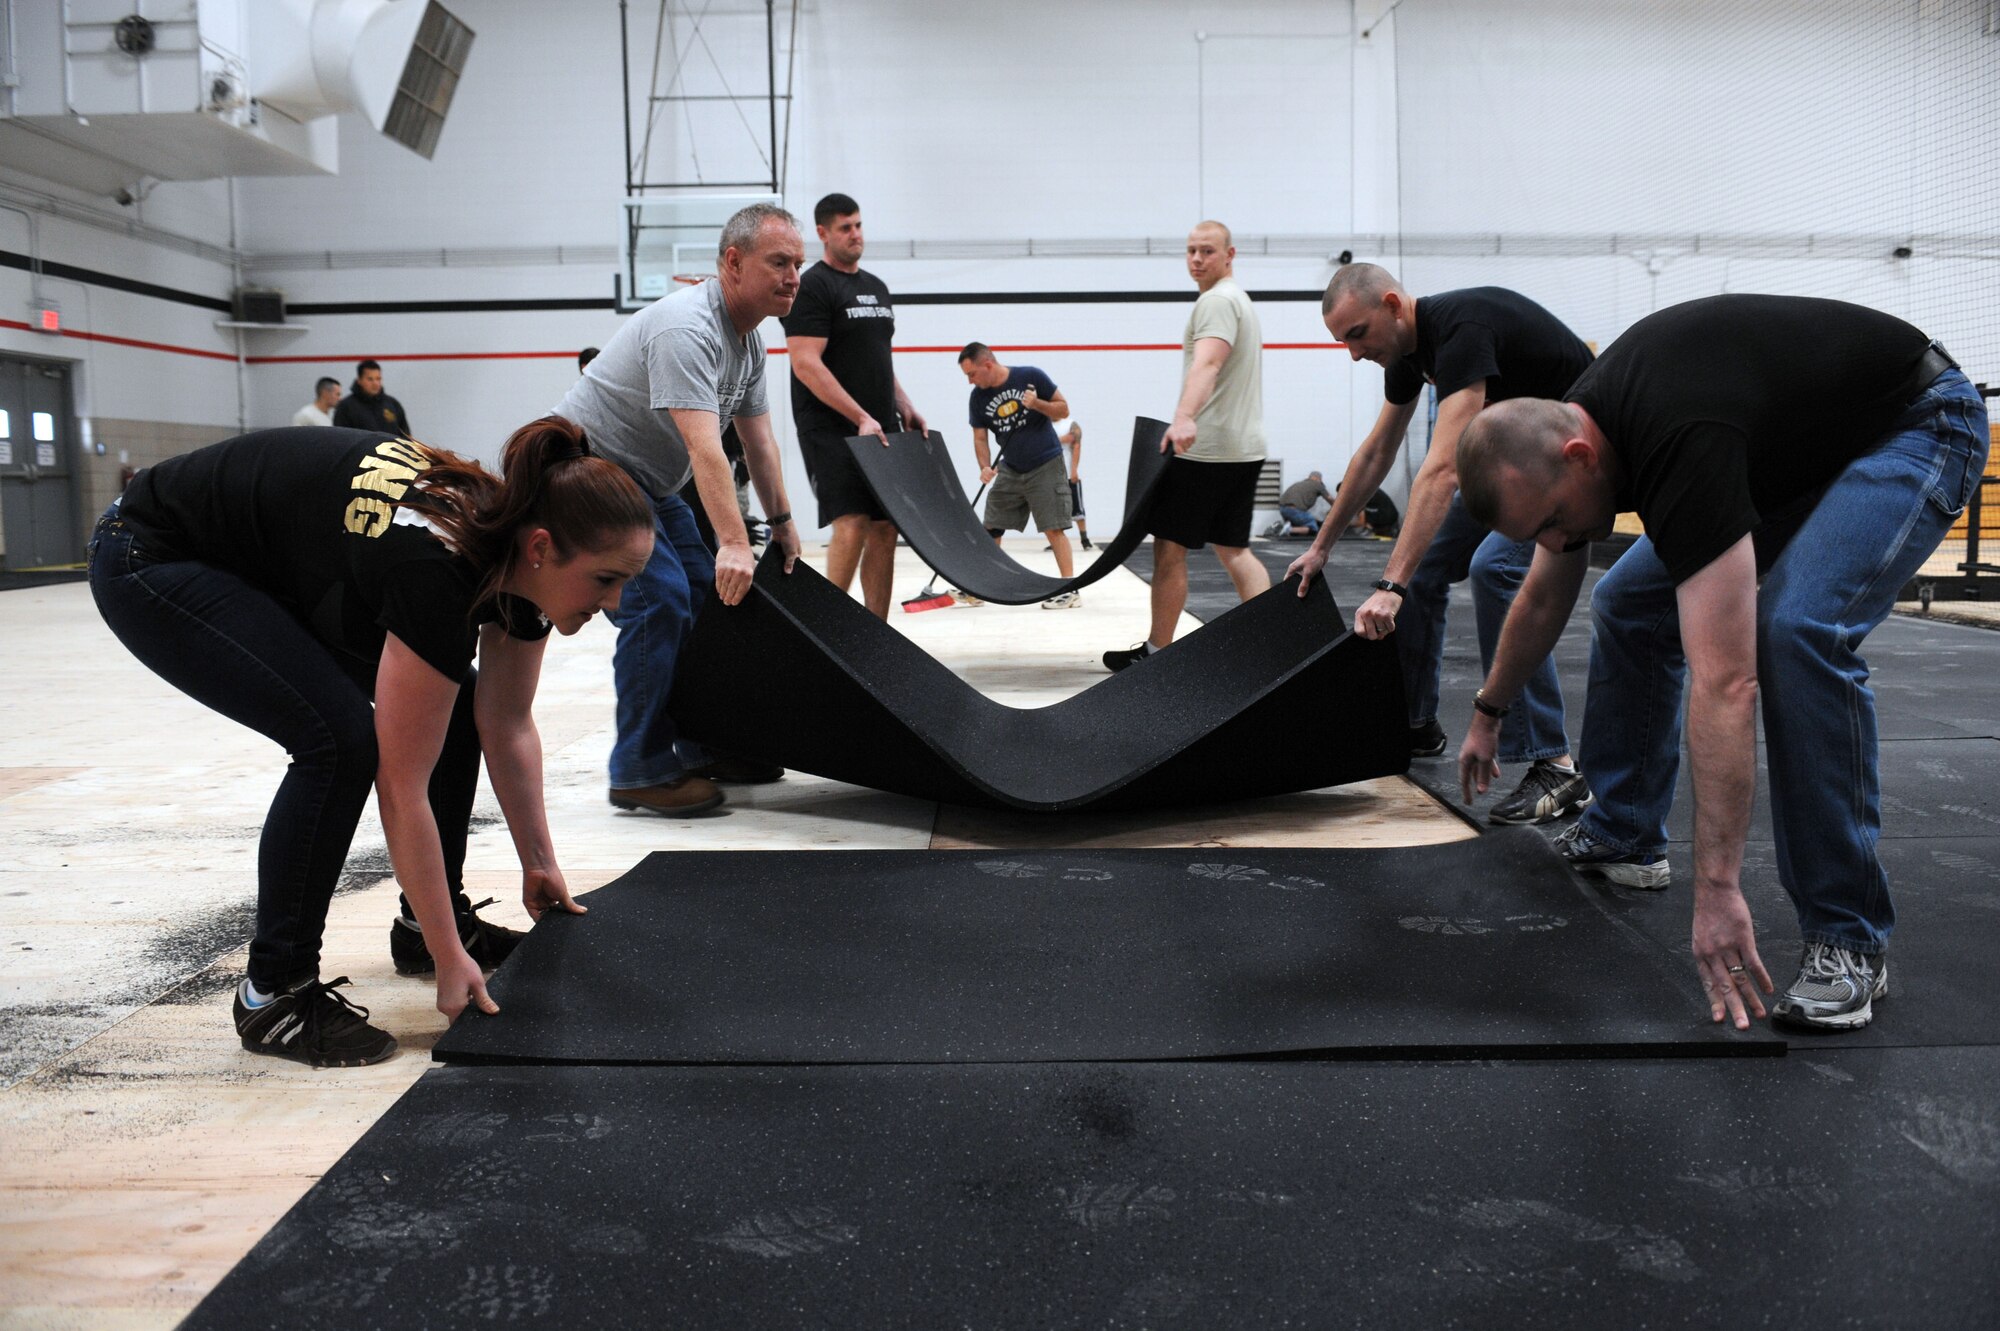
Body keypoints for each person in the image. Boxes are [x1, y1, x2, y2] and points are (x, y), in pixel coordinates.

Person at [1454, 294, 1986, 1032]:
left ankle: (1848, 936)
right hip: (1802, 453)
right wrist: (1489, 711)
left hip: (1916, 424)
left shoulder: (1678, 436)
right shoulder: (1584, 429)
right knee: (1627, 601)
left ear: (1578, 456)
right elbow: (1547, 592)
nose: (1554, 537)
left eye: (1549, 520)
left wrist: (1718, 889)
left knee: (1799, 630)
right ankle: (1627, 830)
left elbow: (1727, 683)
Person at [88, 416, 655, 1067]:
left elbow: (506, 721)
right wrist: (453, 961)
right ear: (541, 547)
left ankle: (424, 924)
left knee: (460, 707)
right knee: (338, 741)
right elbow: (402, 785)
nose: (614, 603)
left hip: (284, 563)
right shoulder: (438, 570)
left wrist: (539, 861)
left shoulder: (520, 547)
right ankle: (274, 992)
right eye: (606, 579)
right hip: (151, 552)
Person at [1287, 265, 1594, 827]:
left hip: (1577, 465)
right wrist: (1321, 547)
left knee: (1493, 568)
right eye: (1342, 342)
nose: (1353, 354)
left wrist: (1389, 585)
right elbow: (1376, 453)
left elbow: (1445, 468)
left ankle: (1554, 763)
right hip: (1518, 467)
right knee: (1424, 566)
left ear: (1393, 304)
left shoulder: (1462, 329)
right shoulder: (1405, 355)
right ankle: (1415, 723)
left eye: (1357, 334)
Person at [552, 203, 804, 816]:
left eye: (798, 264)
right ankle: (638, 767)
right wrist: (735, 543)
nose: (794, 275)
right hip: (588, 472)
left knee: (705, 596)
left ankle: (697, 749)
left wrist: (783, 523)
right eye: (779, 262)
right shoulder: (686, 328)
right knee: (658, 597)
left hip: (647, 483)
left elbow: (758, 441)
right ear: (733, 262)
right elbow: (705, 447)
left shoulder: (748, 346)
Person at [1104, 221, 1270, 670]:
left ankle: (1157, 653)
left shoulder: (1216, 302)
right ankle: (1279, 647)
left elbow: (1209, 363)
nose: (1197, 259)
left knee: (1169, 548)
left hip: (1205, 451)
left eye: (1208, 252)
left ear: (1230, 254)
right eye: (1191, 251)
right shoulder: (1238, 300)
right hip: (1243, 447)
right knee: (1235, 549)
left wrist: (1183, 417)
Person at [782, 192, 928, 620]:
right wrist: (858, 416)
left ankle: (877, 635)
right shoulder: (812, 286)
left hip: (879, 426)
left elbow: (877, 356)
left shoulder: (876, 288)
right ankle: (834, 631)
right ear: (823, 233)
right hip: (830, 428)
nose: (855, 235)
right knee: (852, 521)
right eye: (845, 228)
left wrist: (904, 404)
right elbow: (806, 363)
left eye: (859, 225)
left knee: (886, 528)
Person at [958, 342, 1079, 609]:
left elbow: (1063, 409)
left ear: (987, 364)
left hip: (1045, 462)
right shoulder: (978, 397)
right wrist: (985, 466)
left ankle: (1069, 589)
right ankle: (982, 586)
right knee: (992, 524)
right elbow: (980, 437)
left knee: (1053, 526)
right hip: (1011, 467)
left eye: (972, 374)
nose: (970, 381)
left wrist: (1036, 404)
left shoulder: (1030, 376)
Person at [332, 360, 414, 436]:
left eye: (378, 379)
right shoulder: (346, 407)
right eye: (370, 379)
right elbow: (342, 438)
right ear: (359, 380)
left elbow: (406, 436)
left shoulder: (393, 404)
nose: (375, 383)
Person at [1060, 421, 1093, 550]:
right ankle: (1057, 541)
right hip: (1052, 475)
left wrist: (1074, 469)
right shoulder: (1045, 425)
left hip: (1069, 473)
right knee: (1055, 511)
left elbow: (1076, 443)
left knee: (1078, 509)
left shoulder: (1070, 424)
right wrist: (1062, 439)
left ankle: (1084, 538)